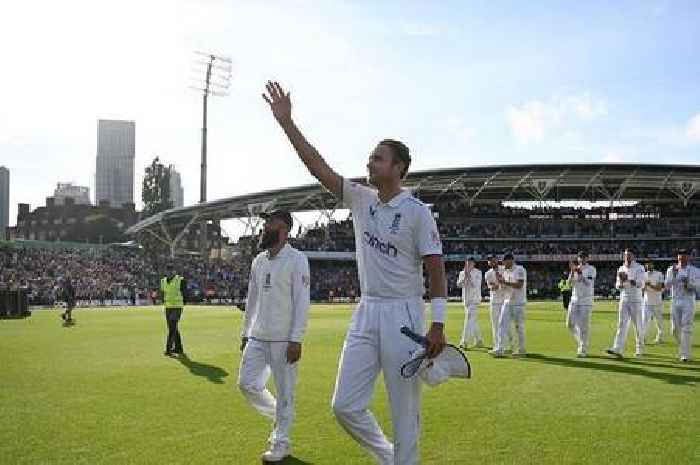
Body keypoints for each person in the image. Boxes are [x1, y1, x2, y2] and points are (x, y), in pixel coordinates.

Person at [263, 81, 447, 465]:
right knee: (344, 405)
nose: (370, 162)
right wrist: (287, 124)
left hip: (404, 314)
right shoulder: (360, 199)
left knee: (404, 413)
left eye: (378, 158)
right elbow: (318, 167)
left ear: (399, 168)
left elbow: (435, 268)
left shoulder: (417, 211)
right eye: (371, 157)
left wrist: (438, 324)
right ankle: (389, 456)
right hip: (367, 311)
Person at [238, 210, 311, 462]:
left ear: (284, 229)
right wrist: (245, 332)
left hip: (284, 340)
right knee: (246, 384)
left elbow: (302, 302)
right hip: (258, 337)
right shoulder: (258, 260)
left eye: (269, 223)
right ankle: (280, 416)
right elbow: (252, 300)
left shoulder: (297, 259)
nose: (265, 227)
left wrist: (297, 339)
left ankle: (281, 442)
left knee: (286, 392)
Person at [606, 248, 646, 358]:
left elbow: (641, 284)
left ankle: (640, 349)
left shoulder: (639, 268)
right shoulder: (621, 268)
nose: (627, 257)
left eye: (629, 255)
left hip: (636, 300)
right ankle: (617, 349)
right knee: (621, 324)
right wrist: (621, 283)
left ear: (633, 256)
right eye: (625, 255)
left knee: (638, 326)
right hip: (624, 299)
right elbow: (617, 285)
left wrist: (629, 280)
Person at [664, 249, 699, 362]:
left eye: (684, 258)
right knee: (674, 330)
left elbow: (698, 287)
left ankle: (685, 354)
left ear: (689, 258)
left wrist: (688, 283)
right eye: (680, 258)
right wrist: (675, 276)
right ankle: (683, 345)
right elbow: (667, 286)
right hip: (675, 300)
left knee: (687, 327)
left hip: (688, 299)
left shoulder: (695, 271)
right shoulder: (671, 270)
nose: (681, 260)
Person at [490, 253, 527, 357]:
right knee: (502, 324)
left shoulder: (520, 269)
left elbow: (519, 285)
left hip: (518, 303)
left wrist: (505, 282)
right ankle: (499, 349)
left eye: (504, 262)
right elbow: (504, 288)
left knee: (519, 327)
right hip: (507, 301)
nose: (503, 264)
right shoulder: (505, 272)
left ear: (510, 260)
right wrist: (500, 283)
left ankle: (521, 350)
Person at [565, 251, 596, 357]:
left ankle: (582, 348)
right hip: (574, 299)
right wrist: (572, 272)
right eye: (580, 258)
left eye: (584, 257)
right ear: (578, 259)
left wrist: (580, 274)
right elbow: (569, 284)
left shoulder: (591, 269)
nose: (582, 259)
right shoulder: (575, 269)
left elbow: (589, 284)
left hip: (586, 301)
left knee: (584, 326)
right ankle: (582, 343)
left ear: (587, 258)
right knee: (569, 324)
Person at [484, 256, 512, 350]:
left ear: (496, 260)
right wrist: (499, 284)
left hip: (505, 301)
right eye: (490, 261)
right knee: (495, 324)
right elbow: (492, 287)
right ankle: (497, 345)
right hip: (494, 301)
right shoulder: (487, 274)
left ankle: (510, 344)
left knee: (505, 324)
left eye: (493, 260)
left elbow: (507, 283)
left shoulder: (504, 269)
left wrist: (501, 283)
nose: (492, 262)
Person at [160, 262, 187, 357]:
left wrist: (183, 303)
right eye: (168, 270)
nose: (169, 272)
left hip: (177, 307)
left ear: (174, 271)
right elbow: (163, 292)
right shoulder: (163, 281)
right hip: (168, 307)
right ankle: (179, 348)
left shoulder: (180, 280)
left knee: (172, 328)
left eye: (171, 270)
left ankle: (168, 349)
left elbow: (185, 292)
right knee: (173, 328)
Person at [457, 257, 483, 349]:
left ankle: (464, 341)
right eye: (467, 263)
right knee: (473, 321)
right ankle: (479, 340)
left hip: (474, 300)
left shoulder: (478, 273)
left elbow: (475, 285)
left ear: (474, 264)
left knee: (468, 320)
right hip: (466, 300)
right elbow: (459, 285)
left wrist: (468, 275)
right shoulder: (462, 273)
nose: (468, 265)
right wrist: (465, 276)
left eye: (470, 263)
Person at [642, 261, 665, 344]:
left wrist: (649, 285)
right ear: (645, 266)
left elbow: (659, 288)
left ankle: (660, 337)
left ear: (653, 265)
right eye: (646, 264)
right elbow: (641, 290)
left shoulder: (659, 274)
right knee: (644, 321)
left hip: (657, 302)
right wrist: (644, 286)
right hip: (647, 302)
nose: (648, 265)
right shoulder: (643, 275)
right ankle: (642, 338)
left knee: (659, 322)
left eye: (650, 264)